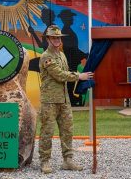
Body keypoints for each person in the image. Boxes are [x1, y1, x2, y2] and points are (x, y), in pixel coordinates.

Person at [38, 25, 93, 174]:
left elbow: (65, 72)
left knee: (67, 131)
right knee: (47, 132)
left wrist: (74, 75)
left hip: (64, 100)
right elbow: (59, 75)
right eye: (54, 38)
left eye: (59, 38)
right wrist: (79, 76)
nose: (57, 40)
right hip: (49, 100)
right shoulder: (46, 56)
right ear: (48, 39)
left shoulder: (61, 55)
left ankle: (68, 160)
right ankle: (45, 161)